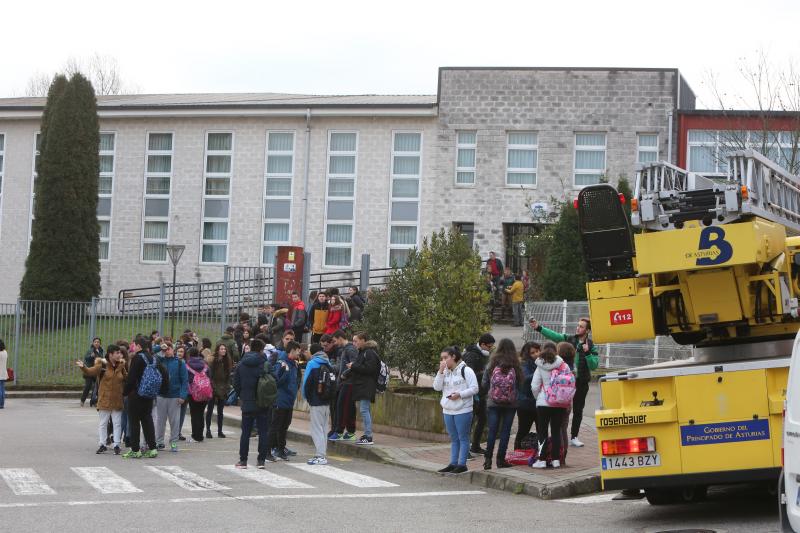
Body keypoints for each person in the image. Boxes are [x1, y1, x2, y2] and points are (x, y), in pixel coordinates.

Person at [529, 317, 597, 447]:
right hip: (564, 382)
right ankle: (560, 435)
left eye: (581, 326)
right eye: (578, 325)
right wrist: (538, 327)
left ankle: (574, 436)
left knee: (578, 409)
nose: (578, 328)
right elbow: (555, 335)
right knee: (562, 410)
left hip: (581, 382)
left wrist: (587, 353)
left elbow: (594, 366)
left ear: (588, 330)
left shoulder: (591, 345)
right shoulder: (570, 339)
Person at [433, 345, 479, 474]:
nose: (443, 360)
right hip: (447, 409)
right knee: (454, 438)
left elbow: (475, 388)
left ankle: (462, 464)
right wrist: (440, 372)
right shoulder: (445, 372)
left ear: (453, 357)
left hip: (463, 409)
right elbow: (436, 387)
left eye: (445, 358)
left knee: (463, 437)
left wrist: (460, 394)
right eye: (441, 358)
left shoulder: (466, 370)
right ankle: (453, 463)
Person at [77, 344, 127, 454]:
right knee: (103, 423)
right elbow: (90, 371)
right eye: (117, 353)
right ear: (110, 354)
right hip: (105, 399)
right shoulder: (102, 365)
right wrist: (83, 367)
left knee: (117, 423)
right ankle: (102, 444)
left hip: (117, 399)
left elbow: (126, 378)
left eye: (120, 353)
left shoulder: (121, 365)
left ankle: (116, 445)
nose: (120, 355)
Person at [481, 338, 521, 470]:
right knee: (505, 431)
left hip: (493, 402)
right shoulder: (515, 363)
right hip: (511, 403)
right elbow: (521, 383)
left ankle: (487, 460)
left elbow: (484, 382)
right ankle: (500, 460)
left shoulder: (492, 362)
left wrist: (489, 393)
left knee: (492, 431)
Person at [233, 338, 272, 468]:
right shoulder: (265, 363)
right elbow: (273, 380)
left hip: (247, 401)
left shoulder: (241, 364)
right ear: (261, 349)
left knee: (245, 432)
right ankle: (261, 460)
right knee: (263, 432)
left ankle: (243, 460)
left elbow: (236, 383)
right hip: (263, 402)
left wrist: (242, 396)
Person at [530, 342, 569, 469]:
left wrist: (539, 398)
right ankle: (556, 460)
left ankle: (541, 460)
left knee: (542, 431)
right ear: (555, 351)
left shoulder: (539, 365)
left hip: (543, 402)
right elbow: (569, 383)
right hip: (559, 402)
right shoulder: (563, 365)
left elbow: (534, 386)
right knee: (556, 431)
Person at [122, 336, 160, 458]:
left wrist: (125, 392)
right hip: (149, 395)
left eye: (134, 345)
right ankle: (153, 448)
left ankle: (135, 450)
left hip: (136, 395)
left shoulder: (137, 358)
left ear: (138, 346)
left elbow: (131, 378)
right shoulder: (152, 358)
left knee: (134, 422)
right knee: (147, 421)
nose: (133, 347)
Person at [462, 333, 495, 455]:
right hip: (472, 393)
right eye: (489, 346)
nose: (490, 349)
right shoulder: (471, 355)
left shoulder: (482, 355)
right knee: (470, 422)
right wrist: (484, 373)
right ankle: (465, 450)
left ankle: (475, 445)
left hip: (481, 392)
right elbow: (468, 374)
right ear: (482, 344)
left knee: (482, 419)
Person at [302, 343, 334, 465]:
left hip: (316, 401)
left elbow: (306, 383)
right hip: (326, 400)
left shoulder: (312, 363)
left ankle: (320, 455)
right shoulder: (328, 363)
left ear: (312, 352)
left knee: (316, 428)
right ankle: (322, 454)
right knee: (324, 428)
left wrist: (306, 397)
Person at [269, 340, 301, 460]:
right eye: (298, 352)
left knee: (284, 426)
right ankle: (268, 451)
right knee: (275, 426)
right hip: (280, 400)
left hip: (289, 401)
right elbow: (277, 382)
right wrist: (285, 372)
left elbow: (296, 380)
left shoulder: (294, 364)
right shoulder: (281, 363)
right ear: (292, 351)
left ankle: (281, 450)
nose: (299, 354)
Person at [155, 341, 188, 452]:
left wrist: (183, 395)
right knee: (160, 421)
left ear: (173, 350)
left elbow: (184, 381)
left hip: (174, 396)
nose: (167, 351)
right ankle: (159, 442)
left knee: (174, 421)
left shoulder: (180, 363)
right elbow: (151, 354)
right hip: (161, 395)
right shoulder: (159, 361)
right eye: (165, 349)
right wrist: (159, 348)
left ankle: (174, 442)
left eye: (168, 349)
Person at [349, 332, 380, 445]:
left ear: (363, 340)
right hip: (364, 385)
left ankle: (368, 435)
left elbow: (370, 369)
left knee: (364, 410)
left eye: (356, 341)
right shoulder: (364, 352)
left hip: (367, 385)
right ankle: (367, 434)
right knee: (365, 410)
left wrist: (354, 366)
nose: (354, 343)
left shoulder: (369, 352)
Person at [330, 329, 358, 441]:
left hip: (348, 383)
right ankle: (350, 432)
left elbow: (354, 365)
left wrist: (344, 375)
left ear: (341, 338)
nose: (335, 343)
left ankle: (339, 432)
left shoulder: (350, 349)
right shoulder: (345, 349)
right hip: (344, 383)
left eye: (335, 341)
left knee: (342, 407)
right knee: (349, 408)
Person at [514, 341, 540, 450]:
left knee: (541, 430)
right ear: (527, 354)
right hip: (525, 404)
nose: (536, 354)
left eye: (538, 351)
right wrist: (539, 372)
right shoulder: (523, 364)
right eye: (533, 353)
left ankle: (542, 454)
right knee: (523, 430)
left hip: (538, 403)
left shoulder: (540, 363)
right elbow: (525, 378)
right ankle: (517, 452)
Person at [556, 341, 576, 465]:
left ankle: (559, 455)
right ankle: (564, 454)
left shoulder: (560, 367)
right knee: (563, 429)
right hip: (568, 402)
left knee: (558, 429)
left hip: (558, 401)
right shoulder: (573, 367)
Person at [206, 343, 232, 439]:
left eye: (224, 349)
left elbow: (228, 377)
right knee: (210, 410)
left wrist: (226, 387)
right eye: (221, 349)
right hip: (213, 387)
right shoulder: (212, 361)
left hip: (223, 388)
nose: (223, 351)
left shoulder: (227, 361)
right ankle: (208, 430)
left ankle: (220, 431)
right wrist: (214, 387)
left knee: (220, 411)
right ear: (217, 350)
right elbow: (210, 376)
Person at [185, 347, 210, 442]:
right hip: (204, 392)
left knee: (194, 414)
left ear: (189, 354)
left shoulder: (187, 364)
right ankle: (200, 435)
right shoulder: (205, 364)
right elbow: (209, 377)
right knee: (200, 413)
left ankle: (195, 436)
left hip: (193, 393)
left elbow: (186, 379)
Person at [81, 337, 104, 407]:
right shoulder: (90, 350)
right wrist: (91, 356)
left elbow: (101, 359)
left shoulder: (100, 351)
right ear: (93, 343)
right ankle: (82, 400)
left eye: (98, 342)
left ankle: (93, 401)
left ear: (100, 344)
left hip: (96, 372)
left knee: (95, 387)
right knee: (88, 386)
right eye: (95, 342)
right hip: (89, 371)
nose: (96, 343)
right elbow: (86, 358)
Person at [0, 340, 7, 409]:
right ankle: (2, 404)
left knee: (0, 389)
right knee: (2, 389)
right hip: (3, 373)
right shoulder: (5, 352)